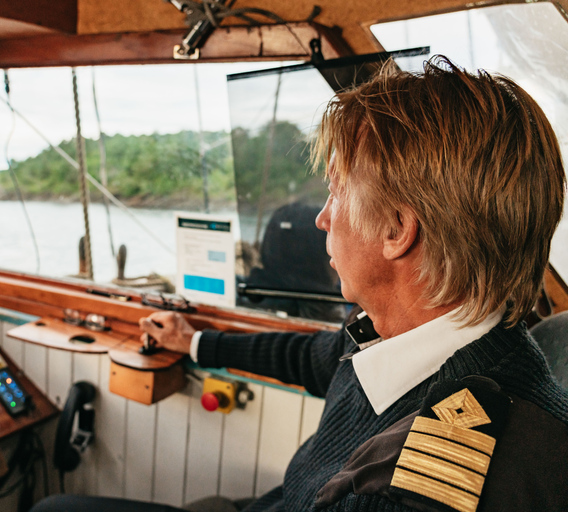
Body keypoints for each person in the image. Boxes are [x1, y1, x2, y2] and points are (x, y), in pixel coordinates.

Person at [32, 56, 568, 512]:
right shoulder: (413, 335)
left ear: (397, 230)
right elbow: (312, 358)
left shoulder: (408, 488)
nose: (322, 218)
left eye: (336, 192)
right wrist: (192, 341)